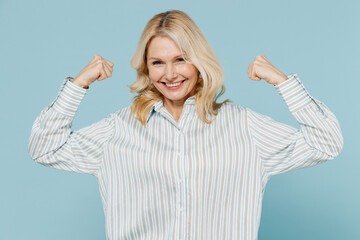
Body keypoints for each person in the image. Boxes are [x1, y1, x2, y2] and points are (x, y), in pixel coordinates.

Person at [28, 10, 343, 240]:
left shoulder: (244, 126)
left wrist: (282, 81)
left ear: (199, 62)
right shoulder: (119, 129)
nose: (170, 73)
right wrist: (78, 84)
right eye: (157, 62)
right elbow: (44, 148)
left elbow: (326, 143)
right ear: (146, 68)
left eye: (180, 59)